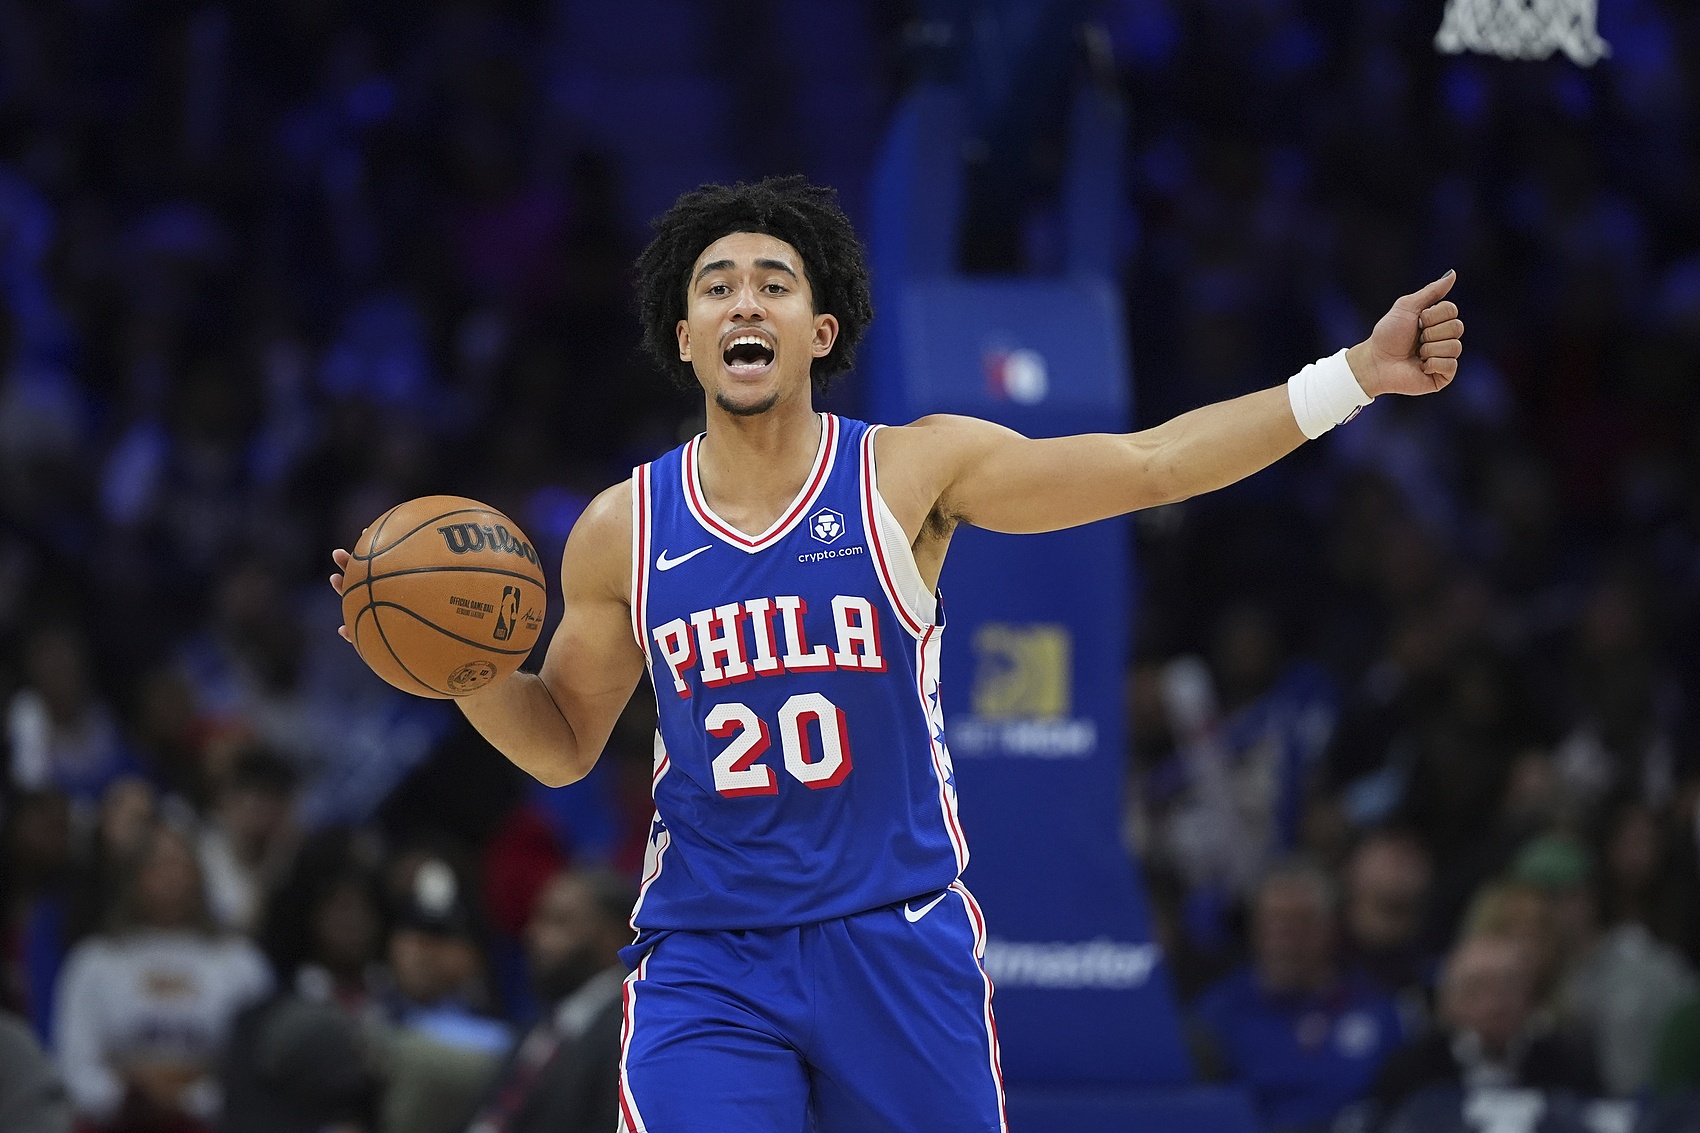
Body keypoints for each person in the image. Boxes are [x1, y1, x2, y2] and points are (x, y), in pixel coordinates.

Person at [330, 175, 1465, 1132]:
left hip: (894, 934)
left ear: (819, 331)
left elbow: (1150, 463)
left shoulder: (908, 472)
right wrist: (460, 669)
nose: (744, 300)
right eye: (715, 285)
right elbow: (565, 742)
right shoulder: (622, 526)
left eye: (774, 283)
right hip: (709, 952)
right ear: (684, 337)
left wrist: (1352, 377)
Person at [52, 822, 271, 1132]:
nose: (172, 877)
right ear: (131, 877)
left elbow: (257, 1064)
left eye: (181, 865)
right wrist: (125, 1099)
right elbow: (75, 1065)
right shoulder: (95, 961)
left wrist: (188, 1101)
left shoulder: (239, 961)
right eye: (158, 865)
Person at [1191, 860, 1407, 1132]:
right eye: (1271, 924)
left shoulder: (1377, 1010)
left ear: (1330, 929)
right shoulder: (1217, 1015)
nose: (1282, 940)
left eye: (1298, 924)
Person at [462, 869, 635, 1133]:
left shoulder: (625, 1028)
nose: (533, 933)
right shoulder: (553, 1020)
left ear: (611, 936)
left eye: (558, 922)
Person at [1370, 933, 1600, 1120]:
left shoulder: (1566, 1064)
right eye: (1476, 990)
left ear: (1530, 998)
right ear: (1449, 1002)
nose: (1494, 1005)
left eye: (1508, 988)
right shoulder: (1413, 1071)